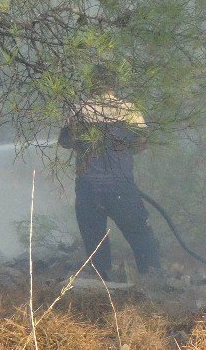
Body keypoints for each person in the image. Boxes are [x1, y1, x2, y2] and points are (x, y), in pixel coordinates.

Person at [58, 65, 161, 282]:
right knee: (140, 235)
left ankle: (102, 284)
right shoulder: (129, 110)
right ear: (114, 85)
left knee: (94, 240)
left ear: (92, 84)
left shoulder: (78, 110)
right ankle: (153, 280)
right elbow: (141, 143)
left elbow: (65, 141)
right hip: (121, 185)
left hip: (88, 187)